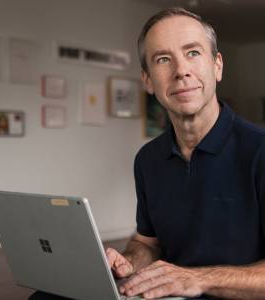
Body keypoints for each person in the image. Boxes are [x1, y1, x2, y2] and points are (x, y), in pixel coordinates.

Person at [29, 7, 265, 300]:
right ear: (148, 80)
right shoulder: (148, 159)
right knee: (46, 297)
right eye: (163, 59)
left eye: (193, 53)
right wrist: (128, 262)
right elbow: (148, 243)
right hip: (171, 295)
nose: (181, 71)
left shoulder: (259, 150)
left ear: (217, 66)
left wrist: (198, 279)